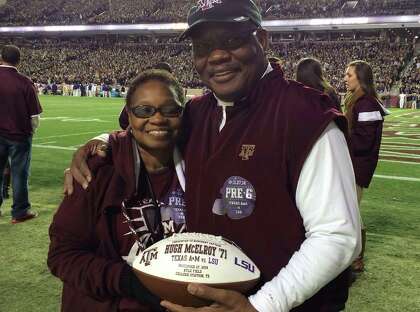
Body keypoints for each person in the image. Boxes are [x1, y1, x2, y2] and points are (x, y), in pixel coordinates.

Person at [65, 1, 361, 311]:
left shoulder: (305, 115)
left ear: (261, 40)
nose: (217, 55)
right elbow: (141, 132)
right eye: (203, 46)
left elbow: (337, 235)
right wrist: (101, 142)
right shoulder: (196, 112)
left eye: (232, 39)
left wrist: (261, 306)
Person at [48, 69, 187, 311]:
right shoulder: (97, 171)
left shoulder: (200, 167)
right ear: (129, 116)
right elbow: (63, 255)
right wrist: (128, 281)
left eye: (170, 109)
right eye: (144, 110)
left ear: (182, 114)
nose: (157, 119)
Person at [344, 60, 389, 273]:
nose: (345, 78)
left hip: (358, 165)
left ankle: (357, 258)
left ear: (360, 78)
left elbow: (364, 141)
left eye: (349, 75)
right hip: (353, 164)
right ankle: (353, 256)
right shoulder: (359, 101)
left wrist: (340, 139)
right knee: (350, 210)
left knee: (351, 212)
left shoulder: (367, 103)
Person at [0, 45, 41, 223]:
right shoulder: (25, 82)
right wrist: (31, 131)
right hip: (19, 136)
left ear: (1, 58)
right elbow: (34, 116)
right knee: (19, 173)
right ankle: (19, 212)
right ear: (19, 61)